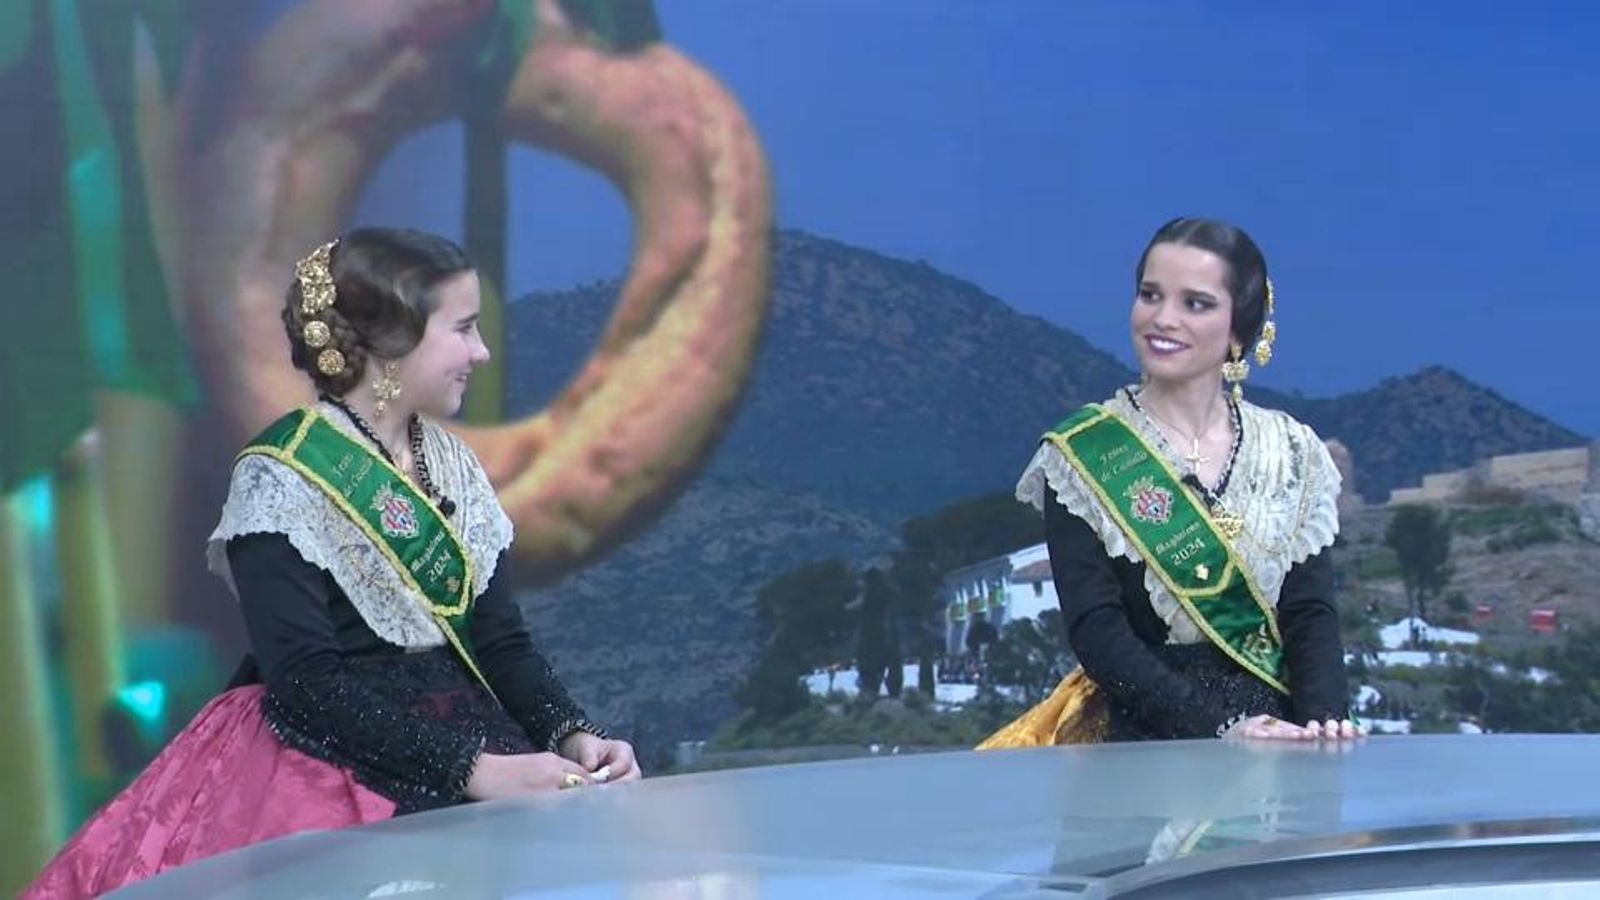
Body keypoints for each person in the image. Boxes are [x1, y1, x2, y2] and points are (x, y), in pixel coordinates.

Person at [27, 228, 639, 898]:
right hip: (332, 763)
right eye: (463, 329)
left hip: (480, 747)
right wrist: (477, 771)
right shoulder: (280, 475)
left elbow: (501, 643)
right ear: (392, 341)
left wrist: (571, 733)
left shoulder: (455, 465)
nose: (481, 352)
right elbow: (306, 681)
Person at [981, 217, 1363, 748]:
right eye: (1150, 295)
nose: (1162, 319)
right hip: (1146, 743)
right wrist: (1219, 728)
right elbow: (1098, 631)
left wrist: (1324, 721)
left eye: (1195, 303)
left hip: (1280, 741)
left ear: (1238, 329)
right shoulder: (1084, 454)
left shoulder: (1292, 452)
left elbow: (1309, 614)